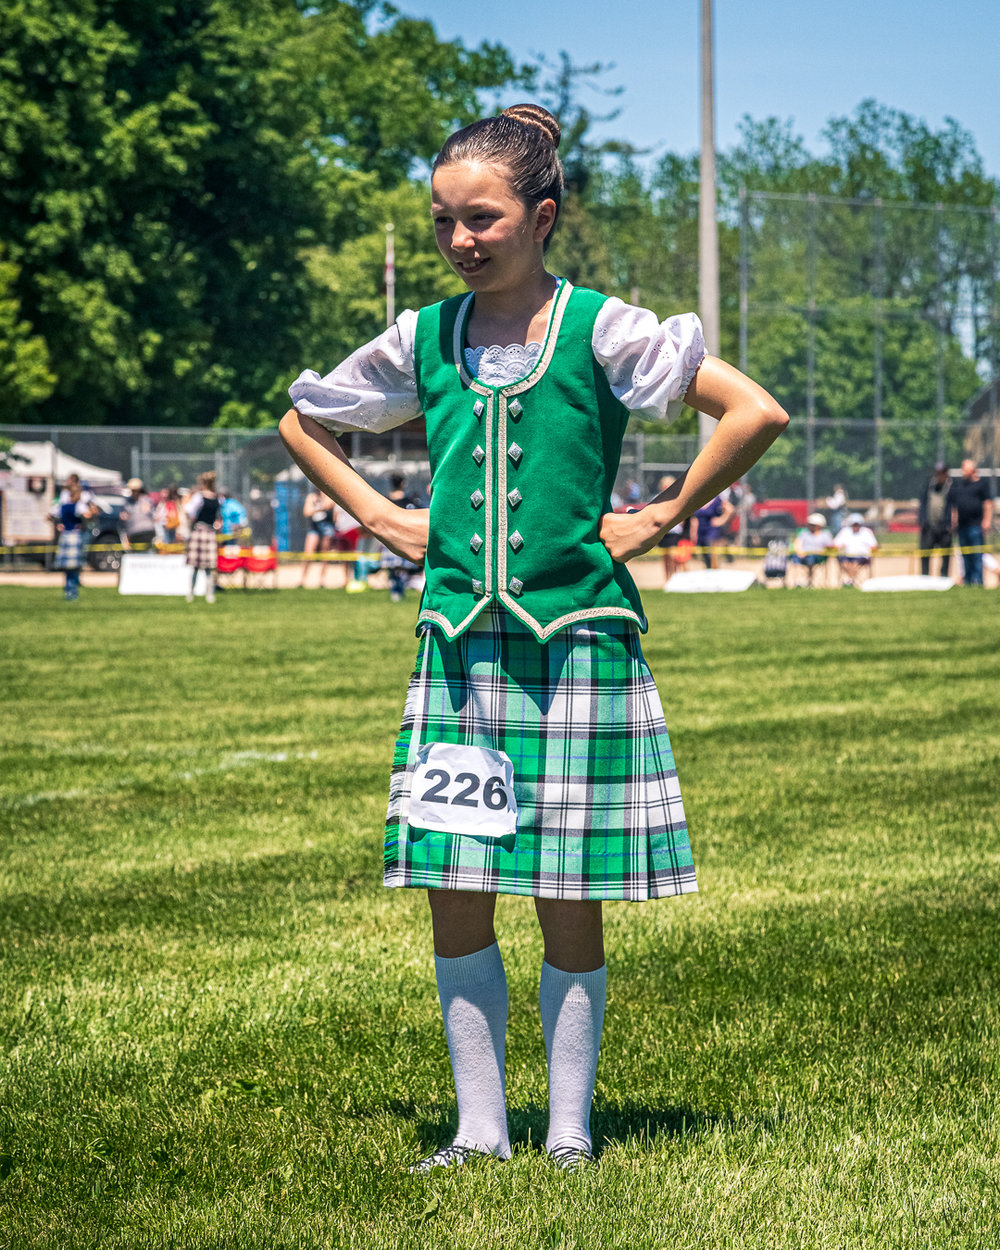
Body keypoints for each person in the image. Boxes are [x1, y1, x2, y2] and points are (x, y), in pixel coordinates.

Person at [279, 103, 788, 1173]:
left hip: (578, 645)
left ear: (540, 215)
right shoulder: (423, 336)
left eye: (483, 218)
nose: (461, 239)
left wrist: (655, 515)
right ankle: (478, 1129)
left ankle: (567, 1132)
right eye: (442, 222)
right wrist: (378, 514)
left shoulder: (602, 327)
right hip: (459, 643)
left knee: (566, 883)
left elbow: (752, 412)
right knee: (455, 878)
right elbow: (303, 419)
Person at [947, 459, 993, 586]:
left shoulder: (982, 485)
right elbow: (954, 506)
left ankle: (978, 581)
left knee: (977, 555)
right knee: (965, 555)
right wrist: (953, 521)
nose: (963, 472)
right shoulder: (959, 486)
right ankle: (967, 581)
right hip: (962, 525)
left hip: (976, 525)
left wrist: (987, 520)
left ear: (973, 471)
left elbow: (988, 504)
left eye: (965, 470)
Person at [50, 481, 95, 599]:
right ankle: (72, 590)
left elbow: (49, 515)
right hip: (74, 536)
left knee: (67, 567)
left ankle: (68, 588)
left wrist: (58, 523)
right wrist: (93, 511)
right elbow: (88, 516)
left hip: (65, 536)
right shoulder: (78, 505)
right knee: (73, 566)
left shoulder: (61, 506)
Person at [382, 473, 423, 601]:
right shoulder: (409, 501)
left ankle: (397, 590)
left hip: (389, 537)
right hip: (403, 537)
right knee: (400, 567)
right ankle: (399, 589)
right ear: (402, 483)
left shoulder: (385, 501)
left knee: (394, 568)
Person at [183, 471, 221, 603]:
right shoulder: (217, 498)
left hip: (199, 531)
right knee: (208, 568)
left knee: (195, 566)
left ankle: (191, 594)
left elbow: (188, 511)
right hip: (209, 532)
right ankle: (209, 595)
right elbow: (219, 518)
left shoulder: (199, 497)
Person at [654, 475, 692, 588]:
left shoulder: (677, 498)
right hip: (663, 532)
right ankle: (667, 578)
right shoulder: (657, 498)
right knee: (665, 558)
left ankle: (675, 578)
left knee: (673, 558)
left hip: (674, 532)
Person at [917, 463, 952, 578]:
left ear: (946, 473)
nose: (939, 476)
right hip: (929, 528)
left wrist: (950, 524)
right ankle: (925, 577)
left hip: (945, 528)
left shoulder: (952, 487)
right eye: (937, 473)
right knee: (925, 553)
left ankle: (944, 577)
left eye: (941, 473)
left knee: (945, 555)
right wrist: (922, 521)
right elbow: (922, 504)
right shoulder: (929, 485)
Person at [299, 488, 337, 587]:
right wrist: (320, 507)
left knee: (325, 555)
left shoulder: (328, 496)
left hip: (327, 527)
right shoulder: (311, 497)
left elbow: (329, 505)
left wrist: (322, 498)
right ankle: (303, 580)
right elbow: (307, 512)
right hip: (314, 527)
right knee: (308, 553)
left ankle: (321, 581)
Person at [834, 513, 879, 586]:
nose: (855, 526)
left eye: (857, 524)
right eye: (854, 524)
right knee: (845, 563)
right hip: (846, 556)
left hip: (862, 557)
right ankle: (851, 580)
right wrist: (841, 546)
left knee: (854, 564)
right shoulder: (845, 531)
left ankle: (850, 581)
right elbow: (836, 544)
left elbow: (874, 545)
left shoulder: (866, 532)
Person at [692, 493, 735, 568]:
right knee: (705, 558)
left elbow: (730, 509)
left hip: (712, 532)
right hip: (700, 533)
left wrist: (722, 519)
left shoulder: (718, 500)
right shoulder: (699, 499)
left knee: (712, 558)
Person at [791, 513, 834, 586]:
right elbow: (797, 543)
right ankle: (800, 582)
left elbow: (830, 546)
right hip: (803, 555)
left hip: (819, 557)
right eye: (810, 524)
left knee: (810, 558)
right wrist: (799, 551)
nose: (810, 526)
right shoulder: (804, 533)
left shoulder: (825, 535)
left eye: (813, 525)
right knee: (795, 558)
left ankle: (811, 581)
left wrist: (823, 551)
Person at [121, 478, 157, 550]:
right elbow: (124, 520)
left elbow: (154, 516)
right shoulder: (128, 503)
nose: (134, 492)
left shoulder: (146, 500)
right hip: (134, 534)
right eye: (133, 490)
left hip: (148, 532)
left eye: (136, 490)